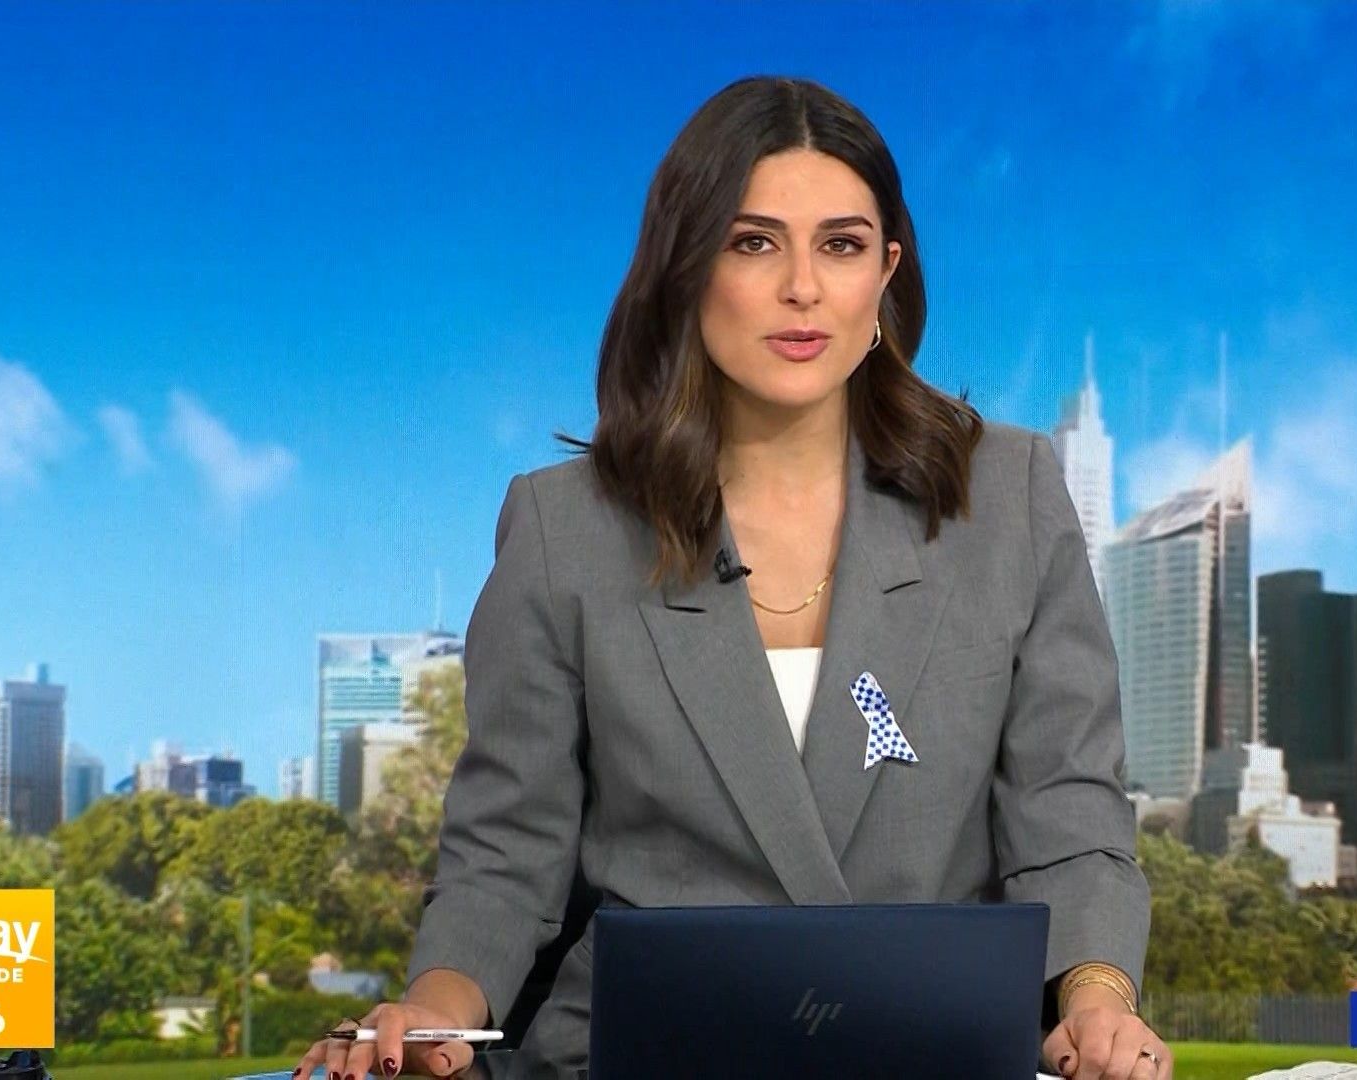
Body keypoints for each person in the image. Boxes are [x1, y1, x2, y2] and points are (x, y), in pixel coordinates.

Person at [296, 74, 1168, 1080]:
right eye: (753, 243)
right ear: (687, 266)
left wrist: (1097, 1002)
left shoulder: (1010, 496)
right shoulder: (562, 527)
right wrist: (429, 1016)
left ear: (886, 272)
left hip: (928, 1058)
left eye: (840, 246)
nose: (802, 288)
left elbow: (1069, 815)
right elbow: (506, 856)